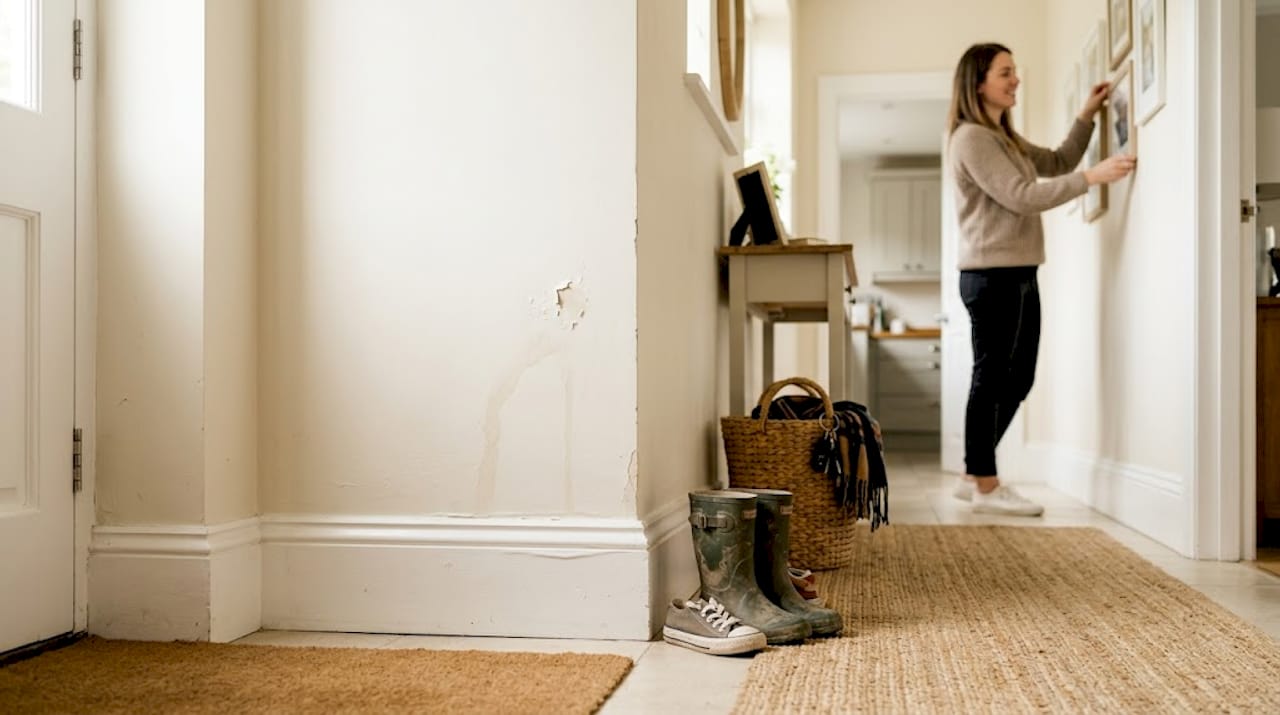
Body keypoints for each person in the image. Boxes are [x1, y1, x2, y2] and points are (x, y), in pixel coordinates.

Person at [946, 43, 1136, 516]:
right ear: (978, 83)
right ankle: (985, 485)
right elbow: (1022, 196)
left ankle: (975, 471)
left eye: (1016, 70)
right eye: (1006, 72)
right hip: (992, 275)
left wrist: (1087, 114)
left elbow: (1055, 162)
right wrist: (1094, 178)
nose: (1016, 80)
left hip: (1017, 270)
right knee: (991, 377)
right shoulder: (971, 137)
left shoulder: (1000, 137)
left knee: (1018, 377)